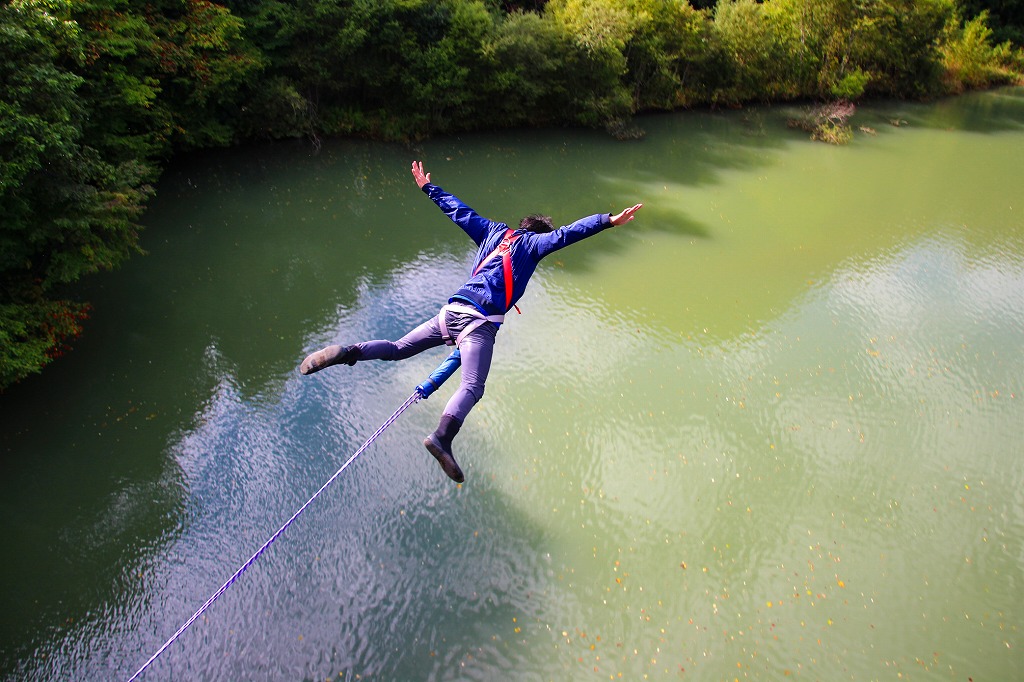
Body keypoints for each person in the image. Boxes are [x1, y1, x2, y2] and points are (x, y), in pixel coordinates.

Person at [300, 161, 642, 483]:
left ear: (519, 225)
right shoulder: (535, 245)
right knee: (472, 388)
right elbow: (567, 234)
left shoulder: (493, 232)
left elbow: (459, 212)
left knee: (397, 348)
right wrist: (608, 220)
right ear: (536, 233)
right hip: (478, 324)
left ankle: (346, 351)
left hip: (451, 310)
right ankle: (441, 438)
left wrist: (429, 188)